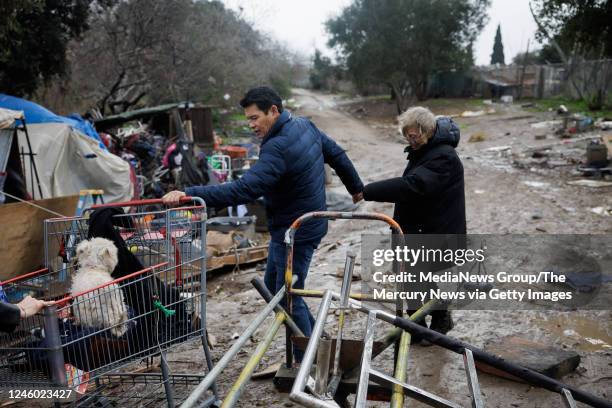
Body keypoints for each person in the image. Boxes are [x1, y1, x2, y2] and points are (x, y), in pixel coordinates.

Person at [163, 86, 363, 356]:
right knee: (275, 288)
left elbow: (243, 190)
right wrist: (355, 186)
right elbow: (336, 154)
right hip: (300, 224)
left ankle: (311, 361)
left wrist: (190, 194)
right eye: (248, 119)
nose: (251, 125)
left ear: (273, 111)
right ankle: (318, 343)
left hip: (297, 231)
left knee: (289, 297)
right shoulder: (304, 125)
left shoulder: (278, 147)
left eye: (255, 118)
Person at [362, 106, 466, 338]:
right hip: (421, 227)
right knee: (412, 279)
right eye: (406, 135)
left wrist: (368, 191)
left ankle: (436, 322)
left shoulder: (443, 156)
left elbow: (413, 186)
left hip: (435, 230)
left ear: (426, 130)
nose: (409, 139)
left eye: (412, 135)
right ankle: (419, 328)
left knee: (417, 278)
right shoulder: (426, 151)